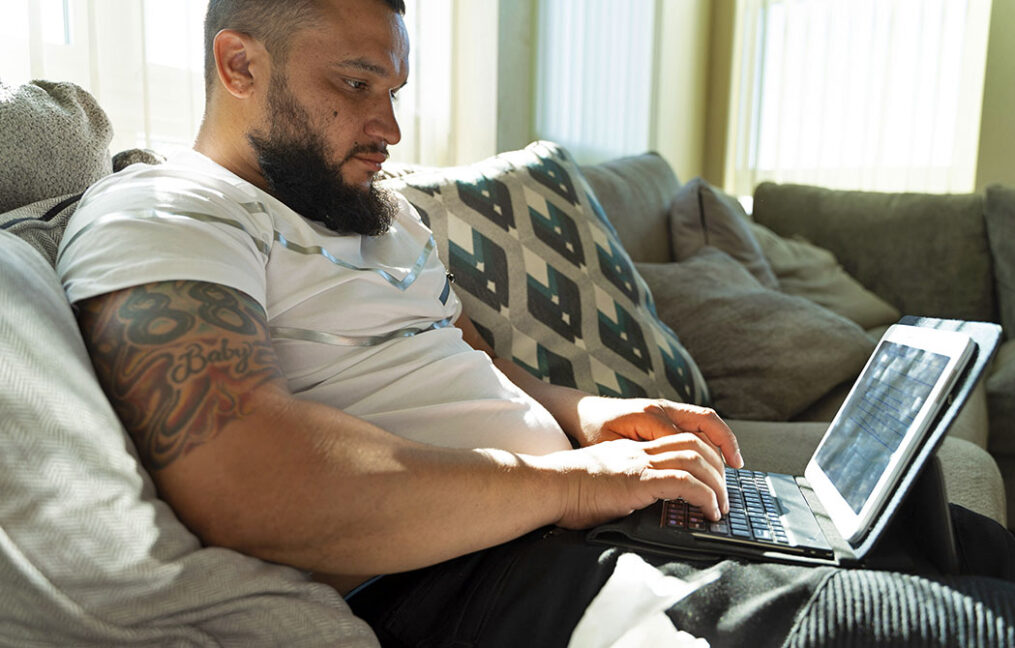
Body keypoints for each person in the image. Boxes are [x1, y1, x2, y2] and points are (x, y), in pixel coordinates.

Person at [55, 0, 1015, 645]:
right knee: (937, 624)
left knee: (953, 535)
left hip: (570, 514)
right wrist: (569, 483)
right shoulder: (168, 213)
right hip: (471, 573)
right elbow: (247, 480)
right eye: (353, 85)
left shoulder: (378, 214)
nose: (387, 127)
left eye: (391, 92)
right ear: (237, 64)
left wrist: (590, 418)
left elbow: (467, 361)